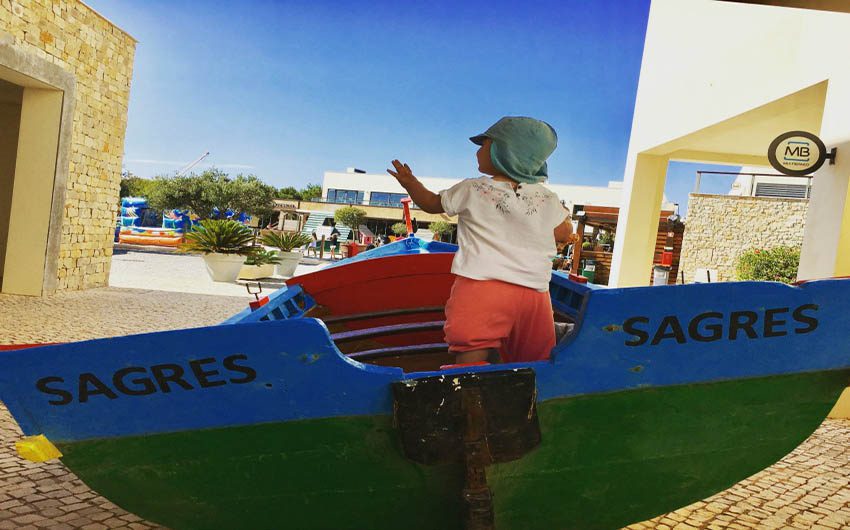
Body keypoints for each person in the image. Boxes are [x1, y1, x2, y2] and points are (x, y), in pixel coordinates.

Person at [387, 116, 573, 364]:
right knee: (534, 356)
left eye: (484, 144)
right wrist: (562, 235)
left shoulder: (472, 189)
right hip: (533, 293)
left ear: (503, 153)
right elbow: (563, 231)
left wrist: (411, 184)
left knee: (471, 349)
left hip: (482, 286)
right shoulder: (547, 198)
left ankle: (468, 389)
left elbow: (432, 204)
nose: (478, 150)